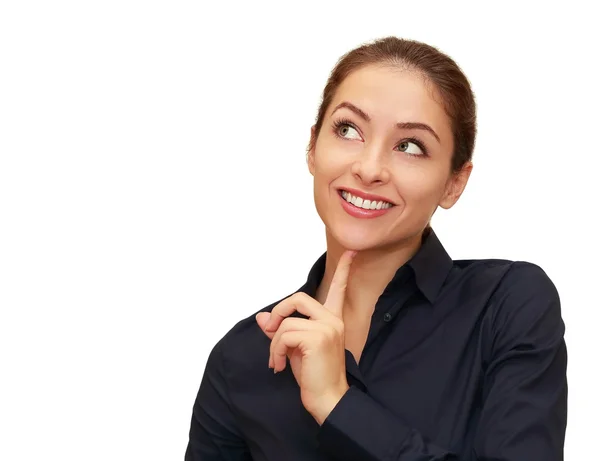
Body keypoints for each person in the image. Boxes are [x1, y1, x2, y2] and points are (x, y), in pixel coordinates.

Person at [184, 37, 568, 460]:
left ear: (454, 182)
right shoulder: (244, 357)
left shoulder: (506, 305)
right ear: (312, 147)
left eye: (410, 146)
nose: (368, 169)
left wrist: (337, 403)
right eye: (348, 130)